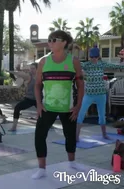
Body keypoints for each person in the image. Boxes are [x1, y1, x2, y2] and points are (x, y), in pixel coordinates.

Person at [32, 30, 84, 179]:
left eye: (54, 39)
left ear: (64, 42)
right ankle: (41, 169)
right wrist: (39, 104)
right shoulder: (43, 61)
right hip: (47, 107)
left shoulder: (73, 61)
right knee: (39, 135)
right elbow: (37, 85)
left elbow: (81, 85)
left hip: (68, 107)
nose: (51, 42)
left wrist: (78, 106)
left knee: (70, 135)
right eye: (49, 40)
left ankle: (72, 162)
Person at [76, 47, 124, 141]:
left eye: (95, 57)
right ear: (90, 57)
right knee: (81, 114)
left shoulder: (102, 64)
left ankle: (104, 135)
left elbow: (116, 66)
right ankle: (77, 136)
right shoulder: (86, 65)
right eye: (92, 57)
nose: (93, 59)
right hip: (89, 94)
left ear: (98, 57)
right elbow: (76, 64)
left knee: (102, 115)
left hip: (101, 94)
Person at [7, 63, 38, 131]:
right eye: (31, 68)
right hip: (29, 99)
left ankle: (49, 125)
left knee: (45, 113)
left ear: (37, 69)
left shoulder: (41, 77)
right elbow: (20, 74)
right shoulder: (29, 76)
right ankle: (14, 127)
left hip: (39, 99)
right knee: (17, 108)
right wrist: (10, 71)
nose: (32, 70)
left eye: (33, 68)